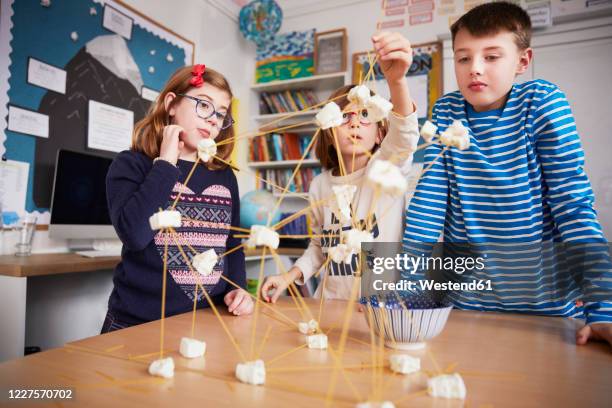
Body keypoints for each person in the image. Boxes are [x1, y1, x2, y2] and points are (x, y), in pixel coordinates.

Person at [402, 2, 612, 347]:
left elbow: (573, 209)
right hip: (466, 304)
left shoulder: (542, 102)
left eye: (492, 56)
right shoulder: (446, 109)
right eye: (464, 58)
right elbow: (427, 208)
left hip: (545, 308)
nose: (475, 69)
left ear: (523, 61)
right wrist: (408, 292)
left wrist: (603, 309)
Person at [261, 31, 420, 302]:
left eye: (365, 116)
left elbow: (404, 138)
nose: (355, 122)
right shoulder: (319, 185)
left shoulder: (386, 169)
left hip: (380, 306)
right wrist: (290, 275)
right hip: (329, 306)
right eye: (345, 116)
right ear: (328, 131)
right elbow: (320, 247)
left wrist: (396, 81)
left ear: (380, 134)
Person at [101, 65, 253, 333]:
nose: (213, 119)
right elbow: (135, 234)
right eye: (204, 106)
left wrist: (237, 288)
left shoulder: (224, 176)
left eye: (221, 114)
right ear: (171, 104)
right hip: (136, 324)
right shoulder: (132, 165)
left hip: (208, 320)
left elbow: (232, 242)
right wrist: (167, 165)